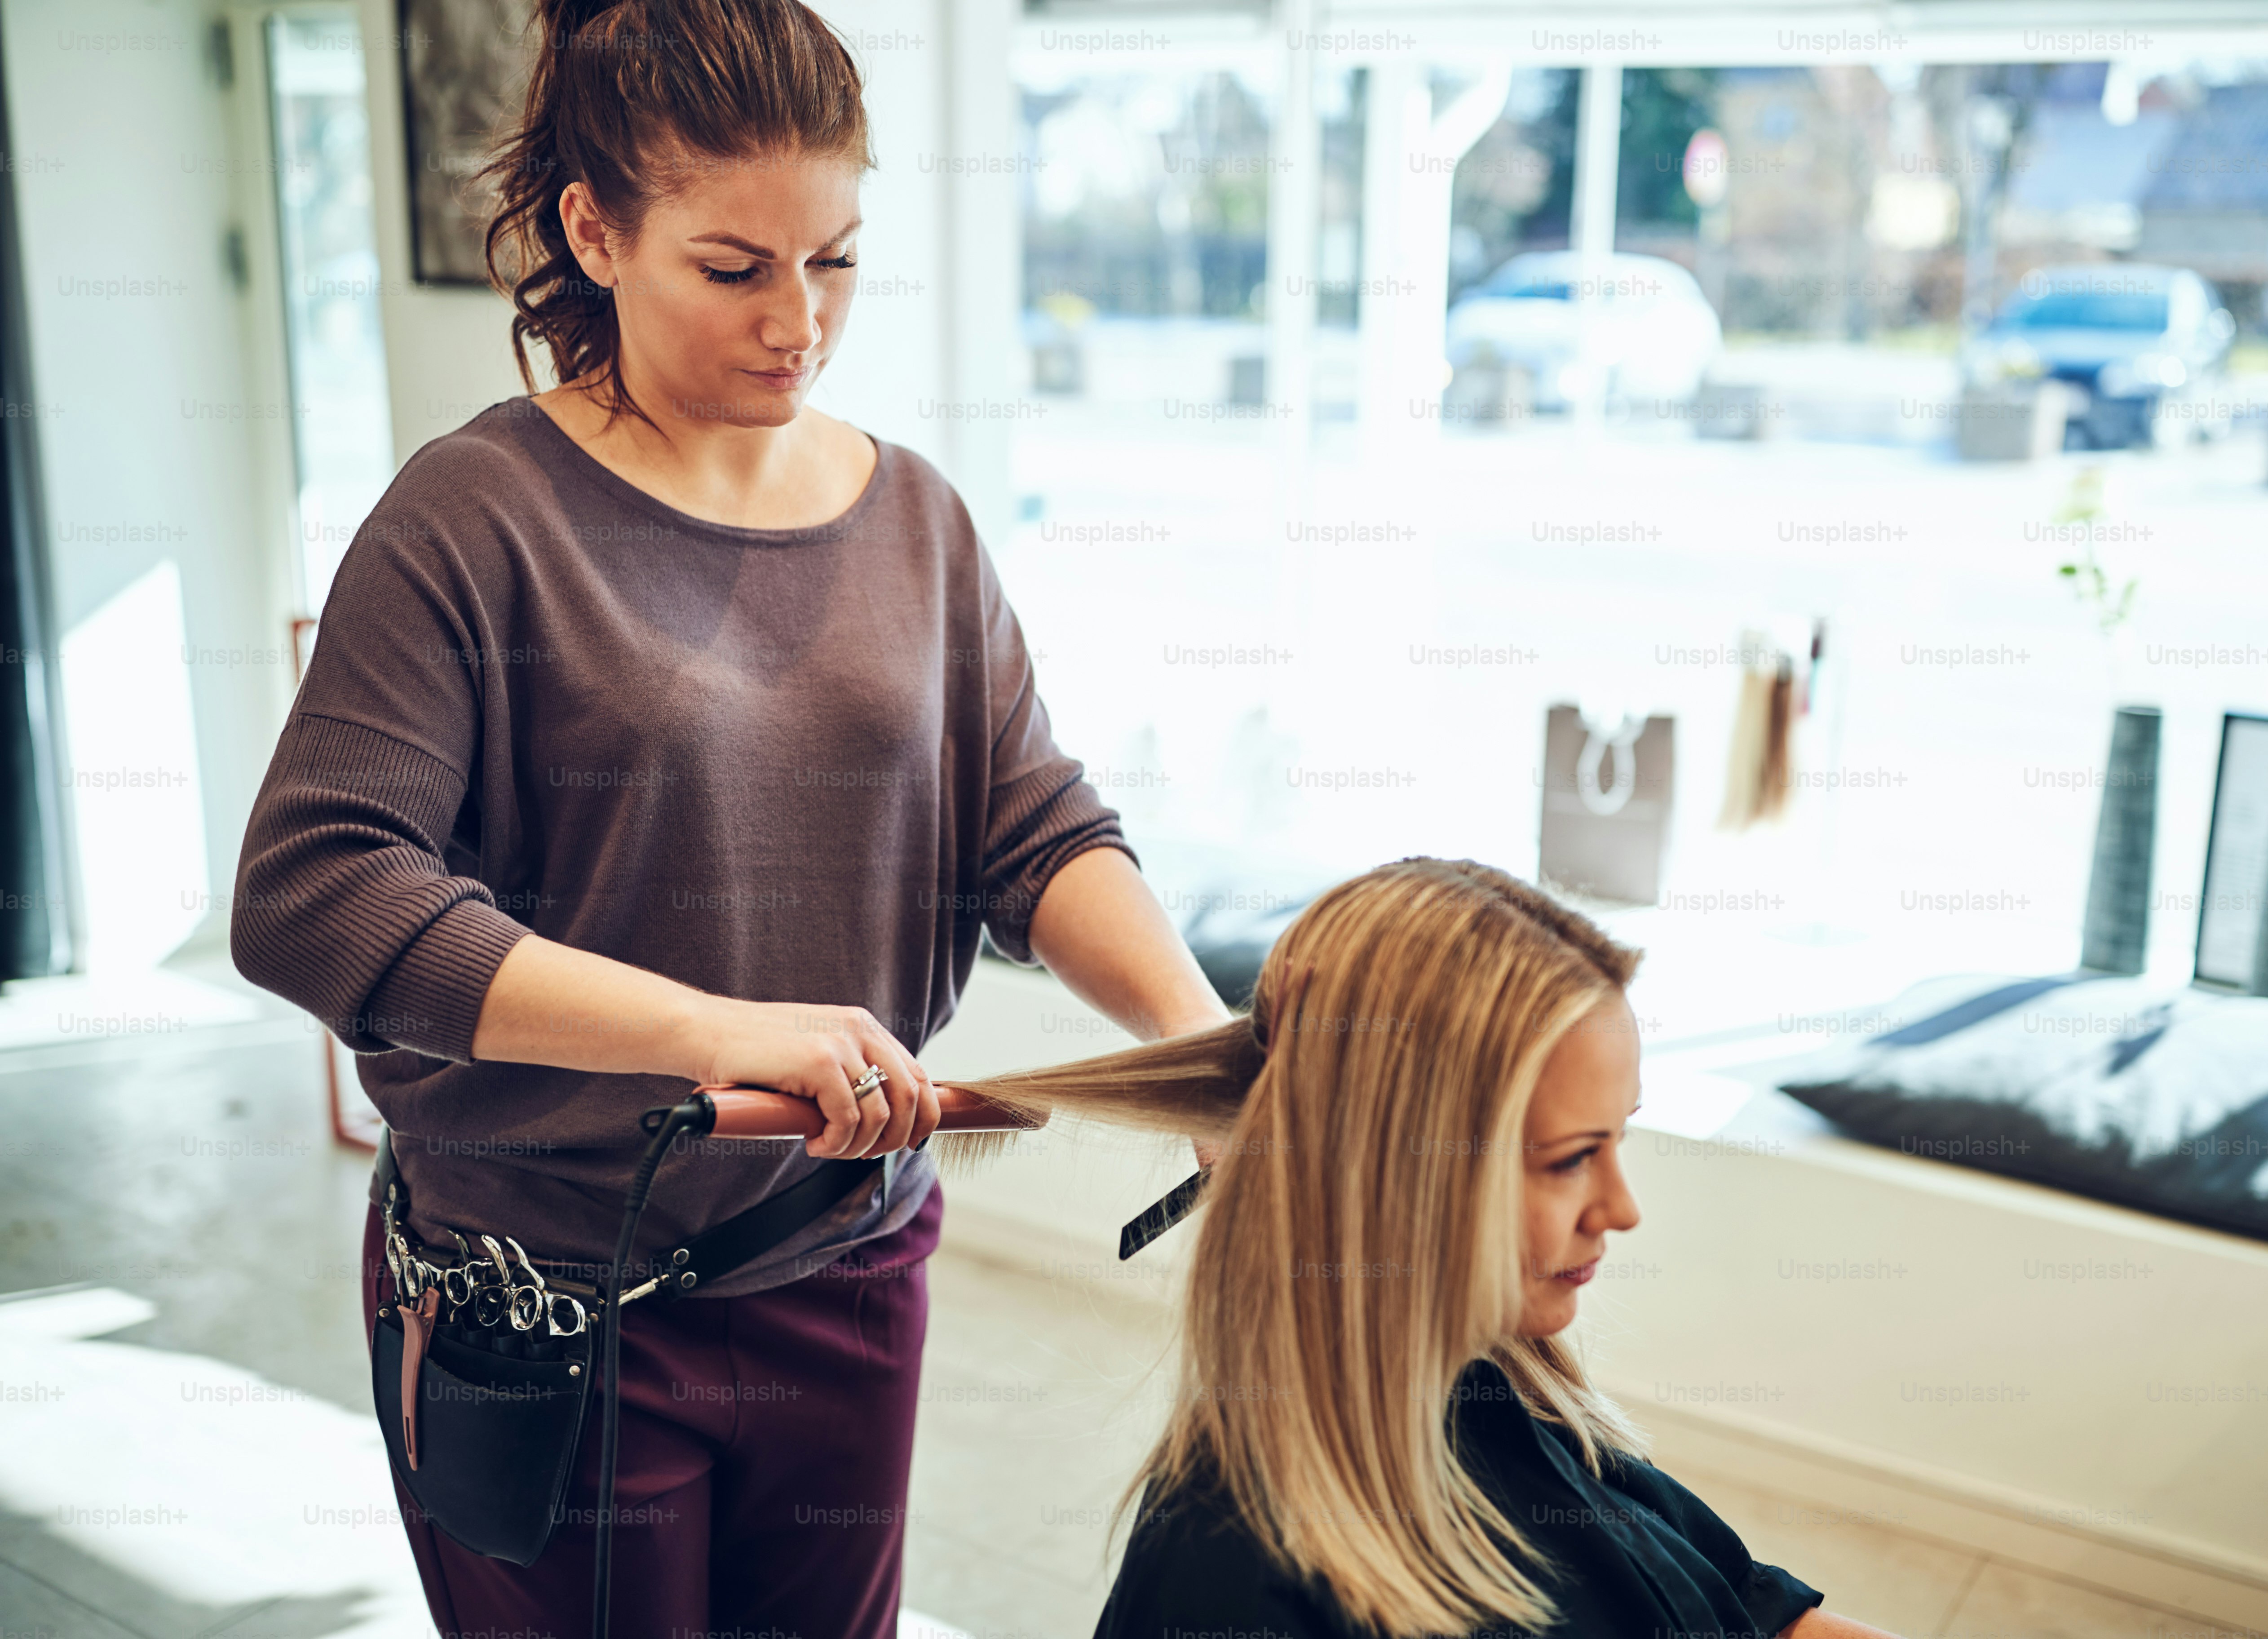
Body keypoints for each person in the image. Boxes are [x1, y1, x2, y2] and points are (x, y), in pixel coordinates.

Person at [229, 2, 1226, 1635]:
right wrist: (713, 1030)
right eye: (735, 265)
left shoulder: (915, 518)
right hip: (550, 1301)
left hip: (847, 1270)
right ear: (596, 231)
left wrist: (1200, 1050)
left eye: (833, 260)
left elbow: (1033, 822)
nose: (799, 322)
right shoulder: (475, 521)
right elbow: (316, 890)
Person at [954, 858, 1903, 1639]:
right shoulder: (1230, 1573)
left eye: (1620, 1141)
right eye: (1572, 1160)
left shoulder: (1525, 1412)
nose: (1621, 1209)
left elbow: (1748, 1610)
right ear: (1397, 1173)